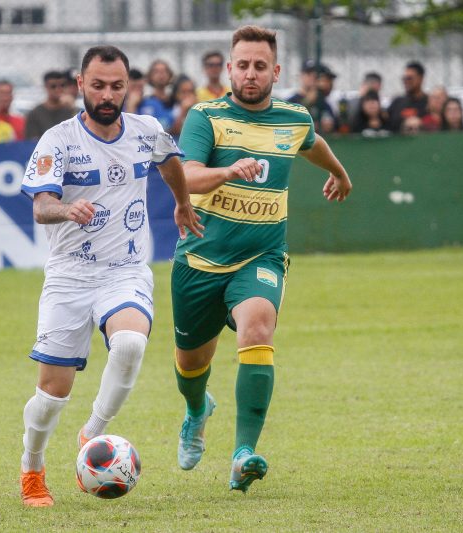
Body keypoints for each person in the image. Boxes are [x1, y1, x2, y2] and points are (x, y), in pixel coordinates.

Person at [18, 44, 203, 508]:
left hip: (125, 269)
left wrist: (182, 202)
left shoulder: (148, 130)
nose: (107, 94)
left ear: (128, 87)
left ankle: (92, 434)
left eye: (116, 86)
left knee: (130, 343)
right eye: (97, 85)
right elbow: (41, 206)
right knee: (51, 394)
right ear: (81, 85)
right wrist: (66, 208)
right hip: (69, 275)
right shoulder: (57, 140)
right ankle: (32, 468)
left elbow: (170, 166)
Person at [171, 25, 352, 493]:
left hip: (262, 255)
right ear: (229, 69)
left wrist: (338, 172)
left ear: (275, 71)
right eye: (242, 65)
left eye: (259, 66)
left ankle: (241, 454)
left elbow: (312, 144)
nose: (250, 74)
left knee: (258, 327)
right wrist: (228, 171)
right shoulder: (205, 116)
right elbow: (187, 177)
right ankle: (196, 410)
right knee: (191, 365)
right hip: (200, 261)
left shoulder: (294, 118)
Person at [24, 71, 79, 140]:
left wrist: (73, 109)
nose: (58, 89)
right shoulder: (35, 114)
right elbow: (32, 142)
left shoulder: (71, 109)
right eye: (53, 86)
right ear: (46, 87)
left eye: (62, 85)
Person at [387, 61, 428, 133]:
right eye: (404, 78)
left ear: (420, 78)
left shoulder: (429, 103)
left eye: (409, 78)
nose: (406, 81)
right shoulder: (397, 102)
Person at [138, 59, 175, 131]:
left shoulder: (176, 101)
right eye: (156, 72)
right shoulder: (143, 102)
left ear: (170, 75)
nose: (161, 74)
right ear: (150, 76)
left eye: (164, 71)